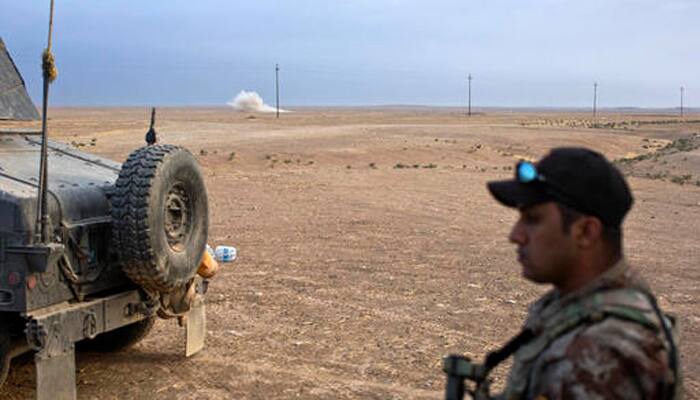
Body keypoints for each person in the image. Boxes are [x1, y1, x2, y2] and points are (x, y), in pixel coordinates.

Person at [482, 147, 679, 399]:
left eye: (532, 219)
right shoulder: (588, 302)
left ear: (586, 232)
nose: (515, 235)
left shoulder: (601, 355)